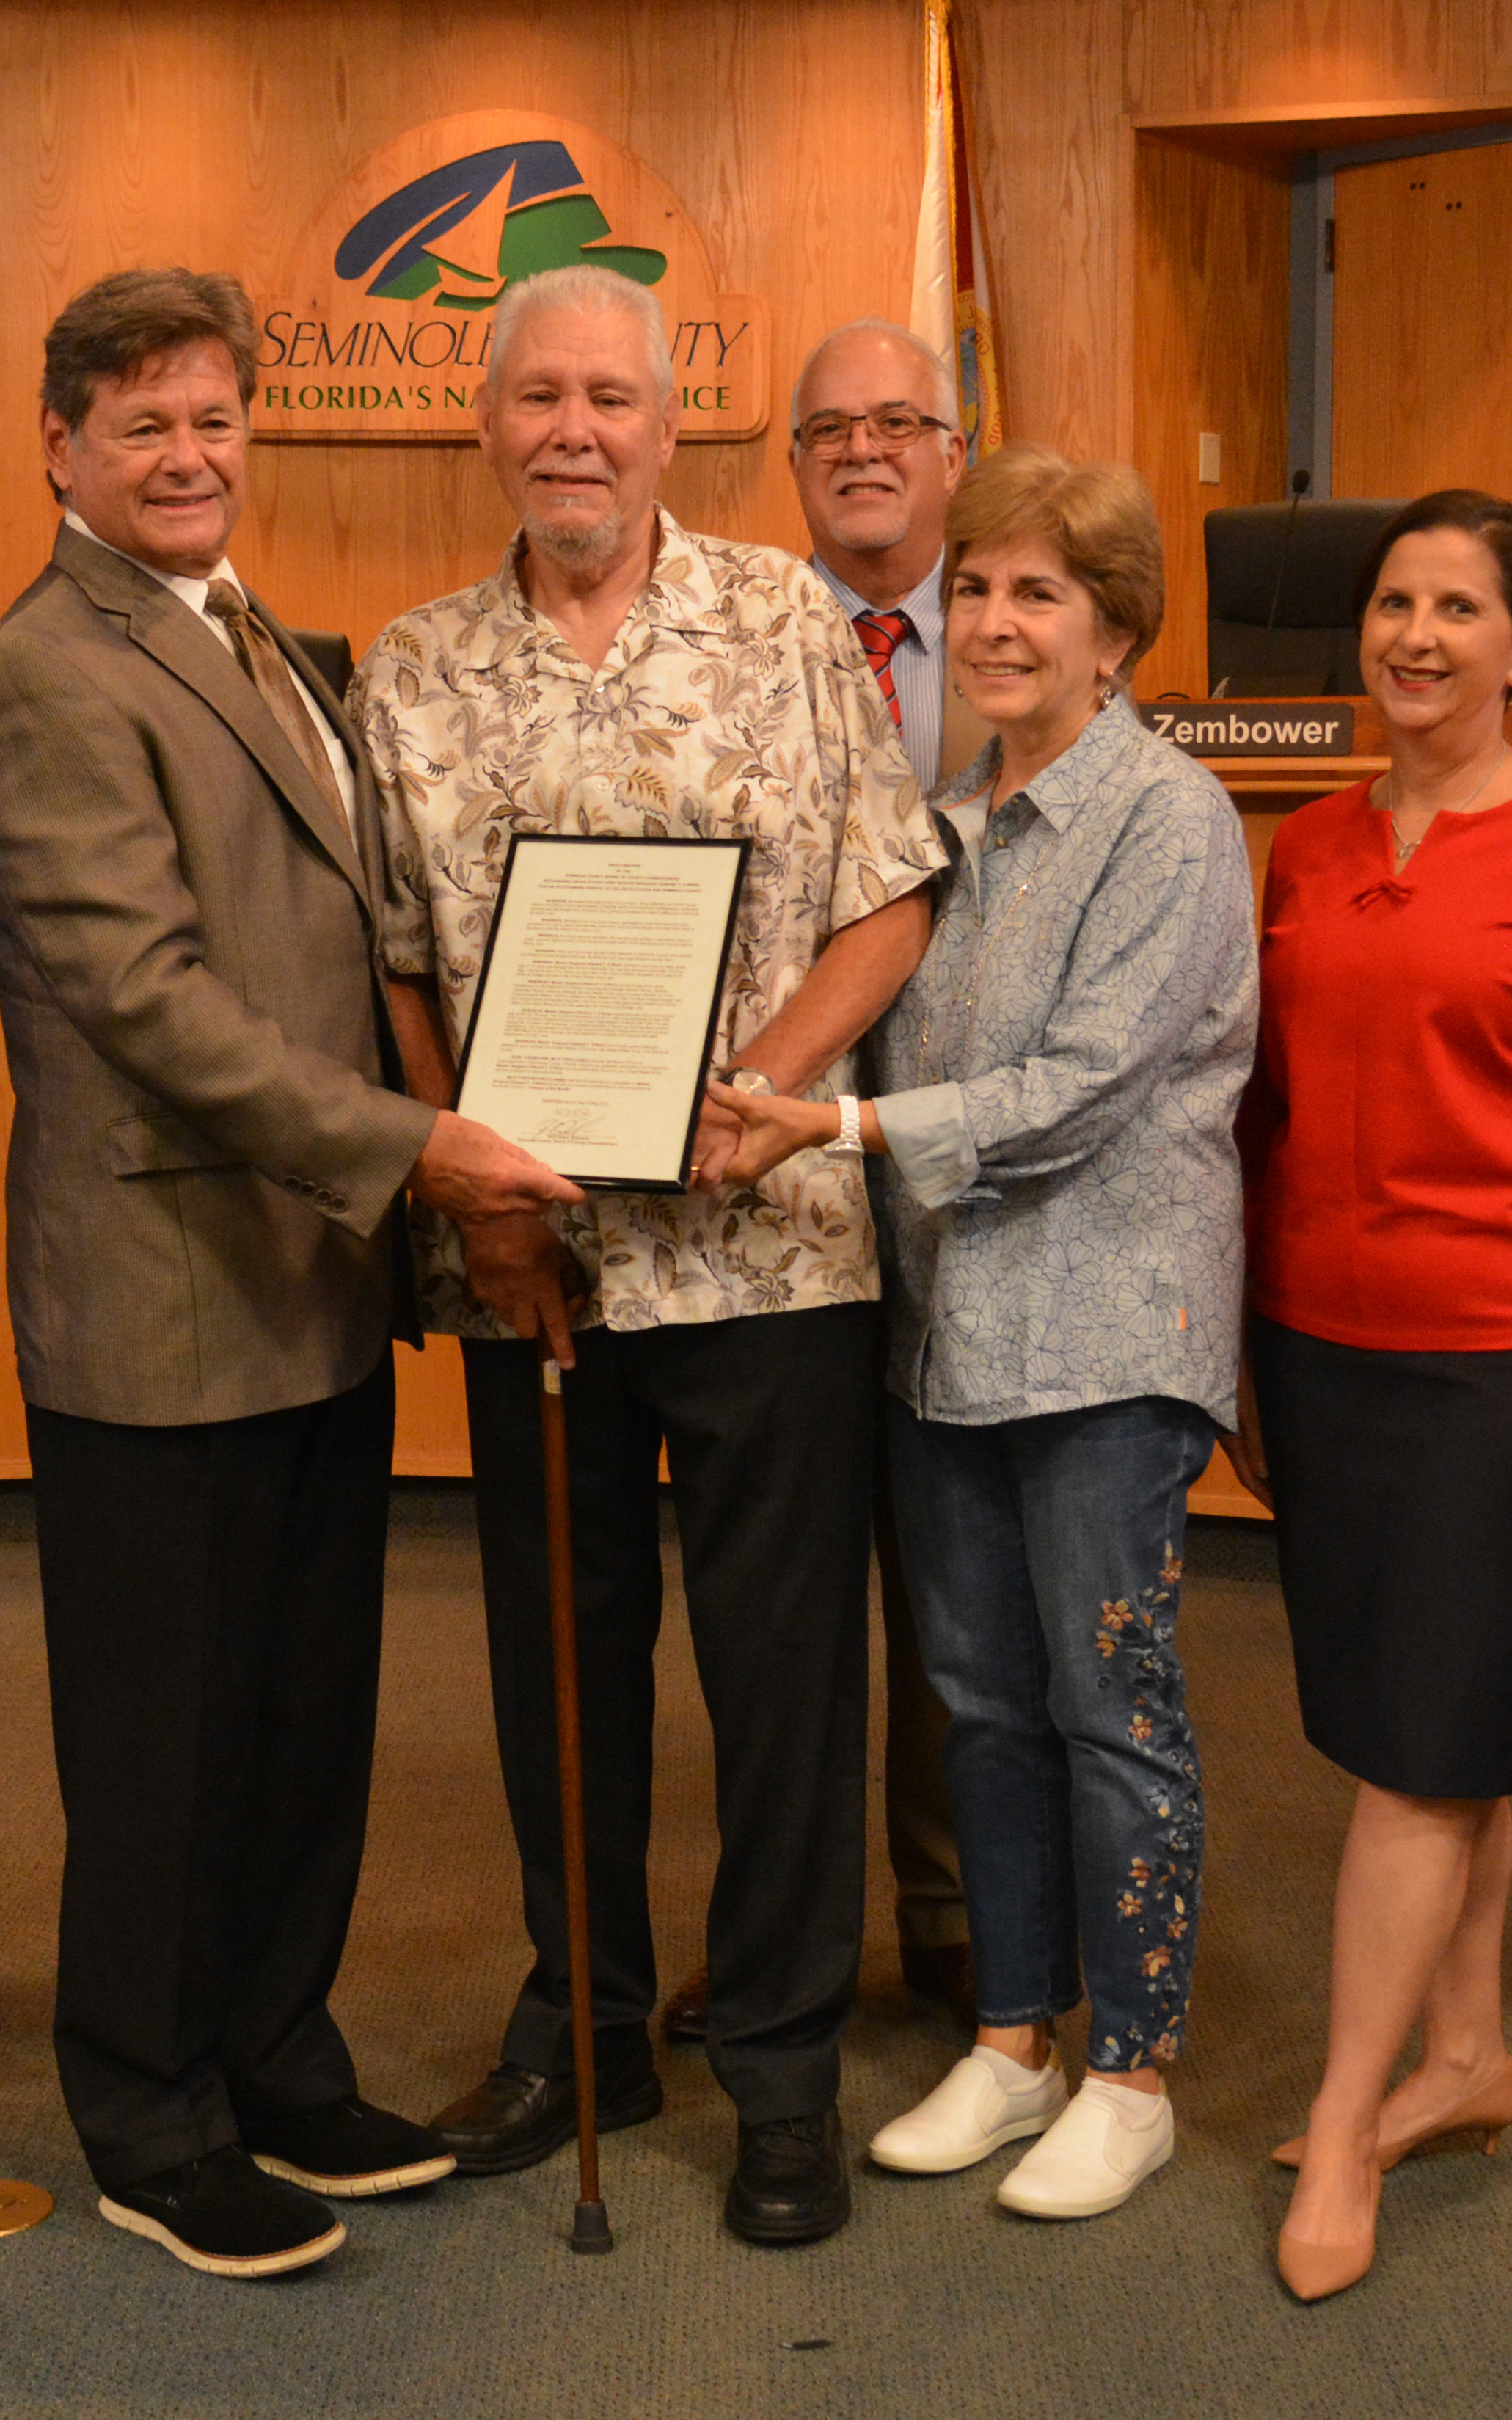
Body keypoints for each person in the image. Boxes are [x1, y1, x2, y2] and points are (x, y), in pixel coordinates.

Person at [0, 269, 578, 2279]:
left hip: (294, 1284)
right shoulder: (54, 667)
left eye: (215, 417)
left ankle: (279, 2059)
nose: (189, 454)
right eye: (142, 424)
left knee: (301, 1711)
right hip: (162, 1294)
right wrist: (419, 1145)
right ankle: (148, 2111)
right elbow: (141, 995)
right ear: (58, 448)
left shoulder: (247, 636)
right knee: (166, 1736)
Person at [359, 263, 946, 2250]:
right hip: (542, 1267)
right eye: (538, 397)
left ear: (669, 420)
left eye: (609, 395)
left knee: (785, 1683)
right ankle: (584, 2026)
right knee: (560, 1672)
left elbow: (890, 908)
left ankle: (783, 2069)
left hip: (769, 1249)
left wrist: (764, 1084)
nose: (574, 431)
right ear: (489, 422)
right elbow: (401, 968)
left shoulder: (787, 620)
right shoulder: (413, 668)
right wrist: (473, 1189)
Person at [709, 448, 1254, 2222]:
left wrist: (828, 1128)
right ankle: (1016, 2036)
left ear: (1115, 632)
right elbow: (866, 1029)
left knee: (1112, 1705)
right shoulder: (939, 821)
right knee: (979, 1710)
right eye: (983, 591)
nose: (1002, 623)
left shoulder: (1170, 817)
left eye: (1045, 594)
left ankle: (1135, 2064)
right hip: (946, 1337)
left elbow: (1084, 1093)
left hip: (1105, 1336)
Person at [1233, 490, 1512, 2302]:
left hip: (1506, 1365)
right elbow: (1256, 1117)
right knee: (1437, 1727)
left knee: (1419, 1756)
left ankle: (1347, 2119)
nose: (1416, 635)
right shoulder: (1312, 842)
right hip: (1322, 1347)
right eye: (1392, 601)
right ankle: (1468, 2052)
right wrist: (1241, 1347)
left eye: (1457, 608)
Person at [767, 316, 992, 2033]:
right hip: (773, 1168)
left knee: (952, 1571)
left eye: (898, 421)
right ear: (792, 462)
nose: (864, 449)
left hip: (980, 1161)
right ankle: (788, 1924)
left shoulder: (1016, 634)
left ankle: (957, 1906)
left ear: (954, 453)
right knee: (782, 1575)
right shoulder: (754, 643)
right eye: (830, 426)